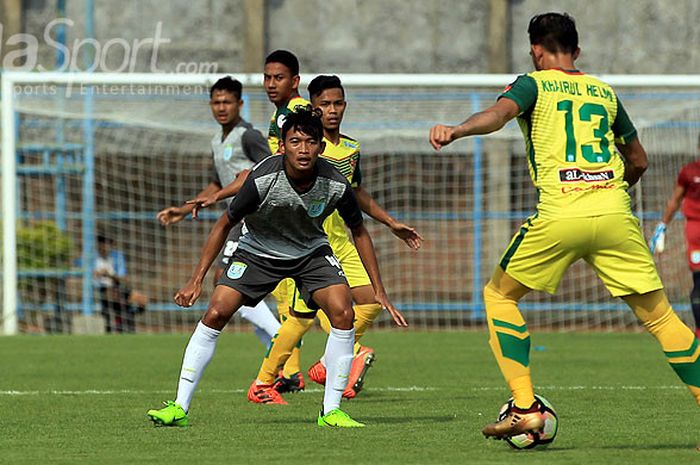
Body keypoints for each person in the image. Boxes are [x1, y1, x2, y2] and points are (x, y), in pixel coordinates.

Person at [429, 12, 700, 440]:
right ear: (577, 51)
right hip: (614, 211)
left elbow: (499, 116)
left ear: (536, 50)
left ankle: (524, 407)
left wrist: (457, 130)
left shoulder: (531, 83)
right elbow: (640, 160)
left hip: (560, 211)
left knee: (499, 295)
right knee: (663, 319)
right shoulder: (604, 91)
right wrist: (610, 192)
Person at [147, 110, 407, 428]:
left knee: (343, 313)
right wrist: (196, 280)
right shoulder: (263, 178)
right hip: (257, 250)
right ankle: (179, 406)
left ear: (321, 148)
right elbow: (224, 222)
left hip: (311, 252)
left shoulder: (336, 184)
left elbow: (360, 231)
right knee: (216, 312)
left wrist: (379, 289)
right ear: (282, 146)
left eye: (311, 142)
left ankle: (332, 412)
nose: (303, 149)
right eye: (295, 141)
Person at [250, 75, 423, 403]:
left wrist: (390, 222)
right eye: (325, 104)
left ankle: (329, 361)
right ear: (312, 108)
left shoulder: (350, 148)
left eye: (338, 103)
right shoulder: (304, 147)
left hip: (341, 241)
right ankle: (263, 383)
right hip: (308, 245)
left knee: (371, 301)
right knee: (300, 319)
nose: (332, 110)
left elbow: (355, 193)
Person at [155, 77, 281, 347]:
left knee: (226, 281)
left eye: (227, 102)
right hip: (238, 217)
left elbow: (268, 169)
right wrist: (183, 209)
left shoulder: (248, 136)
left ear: (240, 104)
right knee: (231, 286)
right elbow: (216, 183)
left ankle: (280, 336)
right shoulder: (217, 140)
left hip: (255, 217)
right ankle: (278, 350)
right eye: (216, 102)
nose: (221, 107)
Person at [262, 49, 313, 389]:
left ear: (294, 81)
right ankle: (291, 373)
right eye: (267, 77)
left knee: (309, 300)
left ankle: (352, 352)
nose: (270, 84)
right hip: (281, 212)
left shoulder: (295, 113)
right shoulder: (282, 113)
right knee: (286, 296)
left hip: (296, 215)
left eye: (278, 78)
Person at [649, 134, 700, 338]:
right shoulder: (689, 171)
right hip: (696, 231)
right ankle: (698, 332)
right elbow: (675, 200)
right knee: (699, 280)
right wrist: (662, 226)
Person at [95, 234, 145, 333]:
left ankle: (127, 319)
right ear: (99, 245)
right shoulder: (92, 257)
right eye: (103, 244)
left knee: (142, 299)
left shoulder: (117, 256)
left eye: (109, 244)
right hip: (101, 288)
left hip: (118, 287)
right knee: (115, 296)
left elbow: (122, 278)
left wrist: (109, 275)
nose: (106, 247)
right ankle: (118, 323)